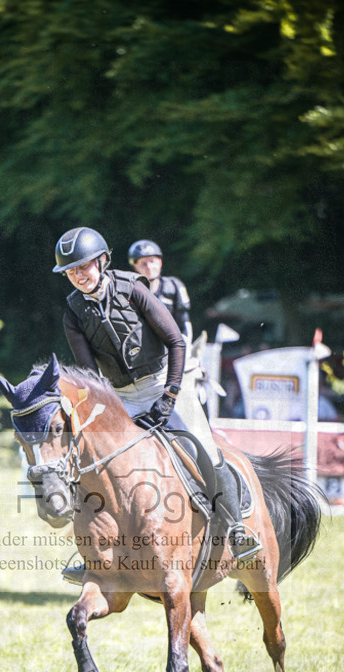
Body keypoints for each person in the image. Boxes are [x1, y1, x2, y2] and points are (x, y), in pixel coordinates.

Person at [53, 226, 260, 563]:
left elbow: (176, 341)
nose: (78, 275)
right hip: (121, 395)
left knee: (203, 446)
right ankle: (93, 547)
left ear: (102, 261)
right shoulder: (73, 311)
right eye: (70, 271)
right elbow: (90, 375)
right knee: (94, 459)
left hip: (165, 379)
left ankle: (237, 529)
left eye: (83, 266)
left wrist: (170, 394)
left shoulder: (133, 288)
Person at [127, 239, 192, 346]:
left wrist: (185, 346)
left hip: (173, 346)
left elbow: (184, 323)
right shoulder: (130, 292)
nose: (149, 267)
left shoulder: (174, 286)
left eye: (152, 261)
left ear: (160, 262)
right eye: (143, 264)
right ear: (135, 266)